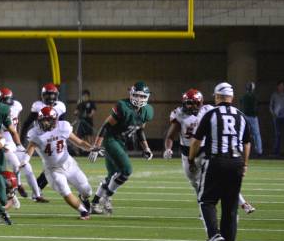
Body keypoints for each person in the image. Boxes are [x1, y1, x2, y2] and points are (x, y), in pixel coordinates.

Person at [164, 88, 254, 214]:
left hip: (205, 152)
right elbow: (170, 136)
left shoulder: (208, 111)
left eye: (196, 103)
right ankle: (203, 210)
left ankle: (243, 203)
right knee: (196, 184)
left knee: (219, 178)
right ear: (184, 103)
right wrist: (168, 149)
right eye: (189, 103)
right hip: (187, 155)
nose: (193, 106)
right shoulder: (179, 115)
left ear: (201, 103)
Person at [188, 82, 251, 241]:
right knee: (230, 206)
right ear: (231, 97)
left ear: (216, 97)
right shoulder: (241, 116)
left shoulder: (211, 114)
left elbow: (196, 140)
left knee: (206, 200)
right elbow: (246, 143)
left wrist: (191, 159)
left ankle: (214, 234)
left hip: (216, 161)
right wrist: (245, 164)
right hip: (236, 162)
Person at [88, 81, 154, 215]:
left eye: (142, 96)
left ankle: (94, 203)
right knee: (126, 170)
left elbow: (140, 130)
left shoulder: (147, 111)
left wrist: (146, 148)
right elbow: (106, 126)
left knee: (112, 176)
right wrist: (96, 145)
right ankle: (107, 197)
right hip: (111, 140)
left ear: (147, 97)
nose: (139, 99)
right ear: (131, 94)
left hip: (121, 142)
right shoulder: (123, 106)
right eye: (136, 95)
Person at [24, 106, 96, 220]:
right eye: (43, 120)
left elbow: (79, 142)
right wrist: (23, 162)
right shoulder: (35, 134)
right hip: (53, 169)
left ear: (54, 120)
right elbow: (29, 151)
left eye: (48, 120)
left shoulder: (63, 127)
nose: (45, 123)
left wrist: (91, 148)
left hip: (69, 164)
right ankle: (83, 212)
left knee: (87, 191)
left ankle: (84, 198)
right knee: (64, 190)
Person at [19, 83, 66, 202]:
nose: (50, 97)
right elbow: (26, 123)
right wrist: (21, 140)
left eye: (53, 95)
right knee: (53, 165)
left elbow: (61, 124)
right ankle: (33, 190)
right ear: (43, 95)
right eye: (48, 95)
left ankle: (37, 190)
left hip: (53, 139)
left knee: (53, 165)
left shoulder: (60, 106)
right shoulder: (38, 106)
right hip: (40, 139)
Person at [269, 80, 284, 157]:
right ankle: (276, 152)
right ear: (277, 87)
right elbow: (271, 105)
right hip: (276, 117)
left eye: (282, 86)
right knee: (277, 134)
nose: (281, 87)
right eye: (280, 86)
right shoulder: (274, 95)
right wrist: (273, 113)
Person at [239, 82, 262, 156]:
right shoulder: (255, 96)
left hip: (244, 116)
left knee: (243, 133)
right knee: (256, 134)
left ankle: (241, 149)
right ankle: (259, 150)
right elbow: (256, 105)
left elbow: (241, 105)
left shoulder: (243, 96)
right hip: (253, 117)